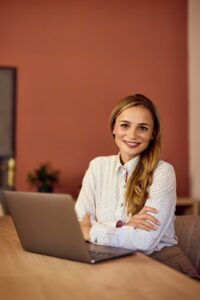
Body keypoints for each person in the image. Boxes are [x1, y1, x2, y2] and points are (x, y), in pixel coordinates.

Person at [75, 94, 199, 278]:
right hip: (113, 262)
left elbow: (143, 241)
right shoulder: (97, 166)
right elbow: (77, 224)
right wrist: (124, 225)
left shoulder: (163, 172)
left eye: (142, 128)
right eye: (125, 125)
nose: (132, 135)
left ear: (153, 133)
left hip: (163, 266)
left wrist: (92, 229)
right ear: (114, 128)